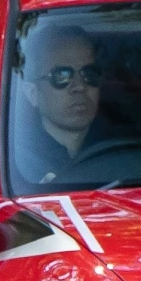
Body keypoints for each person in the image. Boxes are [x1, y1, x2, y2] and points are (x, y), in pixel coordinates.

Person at [11, 27, 115, 186]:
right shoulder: (14, 163)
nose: (79, 86)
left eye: (89, 73)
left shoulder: (121, 148)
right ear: (33, 93)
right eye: (62, 76)